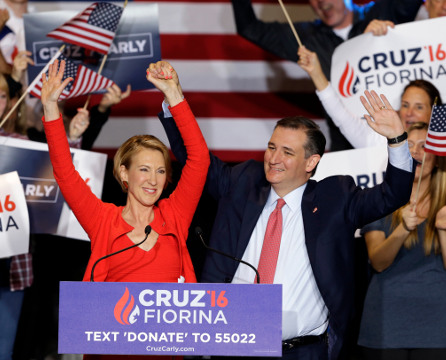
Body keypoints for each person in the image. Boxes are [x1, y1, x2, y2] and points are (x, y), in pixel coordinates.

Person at [159, 84, 414, 358]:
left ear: (310, 162)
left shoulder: (335, 199)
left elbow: (393, 194)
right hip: (231, 345)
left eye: (287, 152)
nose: (274, 158)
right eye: (271, 147)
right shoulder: (242, 182)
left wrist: (398, 139)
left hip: (302, 351)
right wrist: (174, 99)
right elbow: (194, 158)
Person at [40, 58, 209, 357]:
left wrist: (174, 95)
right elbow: (65, 172)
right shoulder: (103, 219)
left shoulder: (175, 216)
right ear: (123, 174)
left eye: (160, 171)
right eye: (144, 170)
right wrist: (51, 108)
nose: (153, 180)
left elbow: (199, 159)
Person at [230, 0, 423, 151]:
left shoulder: (380, 14)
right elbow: (249, 28)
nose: (321, 1)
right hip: (346, 148)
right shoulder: (305, 38)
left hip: (402, 141)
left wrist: (388, 35)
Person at [358, 122, 446, 360]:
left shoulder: (445, 208)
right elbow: (377, 262)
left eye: (425, 146)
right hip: (385, 329)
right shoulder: (379, 200)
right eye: (409, 146)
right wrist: (402, 229)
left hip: (437, 330)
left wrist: (442, 229)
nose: (417, 152)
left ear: (437, 158)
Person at [297, 45, 442, 148]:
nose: (409, 113)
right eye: (405, 105)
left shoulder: (441, 149)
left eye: (419, 107)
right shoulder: (379, 142)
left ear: (435, 113)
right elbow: (342, 117)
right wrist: (316, 73)